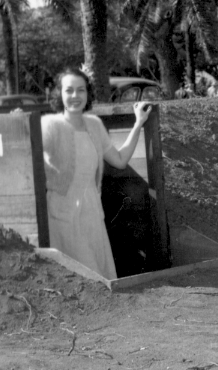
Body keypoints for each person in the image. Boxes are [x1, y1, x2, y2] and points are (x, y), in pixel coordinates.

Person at [40, 68, 152, 279]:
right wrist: (20, 124)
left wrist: (138, 123)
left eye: (80, 90)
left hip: (92, 210)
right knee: (86, 275)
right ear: (59, 94)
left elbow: (119, 160)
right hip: (62, 213)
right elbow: (30, 152)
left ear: (88, 94)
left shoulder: (94, 125)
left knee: (101, 278)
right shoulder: (49, 125)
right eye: (69, 90)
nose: (75, 96)